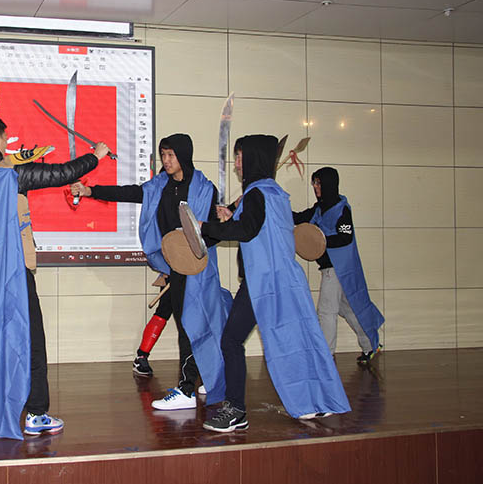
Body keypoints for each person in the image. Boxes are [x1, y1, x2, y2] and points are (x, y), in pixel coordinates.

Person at [0, 114, 110, 439]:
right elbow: (61, 173)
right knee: (31, 338)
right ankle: (36, 413)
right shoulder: (9, 175)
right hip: (10, 273)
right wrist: (95, 156)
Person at [199, 135, 350, 433]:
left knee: (231, 341)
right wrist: (231, 217)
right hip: (285, 281)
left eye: (240, 157)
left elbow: (246, 230)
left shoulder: (256, 193)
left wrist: (206, 227)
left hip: (263, 284)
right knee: (298, 341)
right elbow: (258, 228)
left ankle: (236, 410)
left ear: (254, 158)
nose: (237, 164)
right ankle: (314, 401)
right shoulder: (274, 192)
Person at [72, 133, 232, 411]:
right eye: (163, 155)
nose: (166, 160)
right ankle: (194, 384)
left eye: (171, 155)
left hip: (199, 268)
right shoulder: (160, 186)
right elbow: (130, 193)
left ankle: (190, 387)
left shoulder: (205, 189)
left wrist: (200, 242)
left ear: (183, 155)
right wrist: (91, 191)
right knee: (187, 325)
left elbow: (214, 232)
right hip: (177, 267)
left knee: (202, 324)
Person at [293, 167, 384, 364]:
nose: (316, 187)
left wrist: (321, 240)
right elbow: (298, 218)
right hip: (330, 268)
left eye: (319, 183)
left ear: (329, 184)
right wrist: (275, 209)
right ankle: (370, 343)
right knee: (347, 308)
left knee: (326, 310)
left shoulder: (341, 209)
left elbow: (345, 237)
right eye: (314, 183)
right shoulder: (319, 209)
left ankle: (325, 356)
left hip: (338, 269)